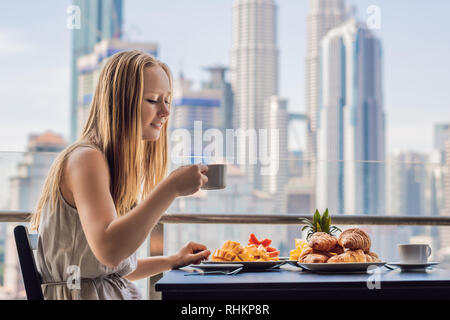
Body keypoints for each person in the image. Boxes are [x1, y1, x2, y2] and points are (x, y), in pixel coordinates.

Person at [30, 50, 211, 300]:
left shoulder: (103, 162)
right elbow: (110, 251)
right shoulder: (86, 159)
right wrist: (170, 188)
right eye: (152, 100)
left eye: (167, 100)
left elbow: (110, 269)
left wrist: (172, 260)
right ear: (120, 103)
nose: (165, 112)